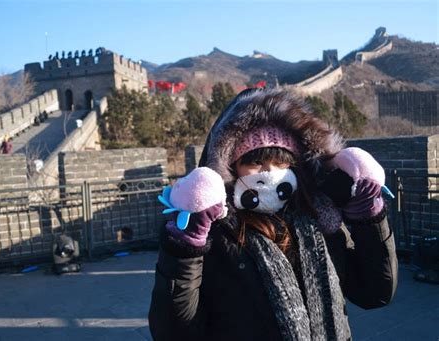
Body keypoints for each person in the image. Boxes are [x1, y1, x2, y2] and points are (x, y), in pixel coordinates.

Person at [148, 88, 398, 340]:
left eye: (281, 162)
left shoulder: (321, 218)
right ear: (231, 169)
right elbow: (173, 332)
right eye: (255, 163)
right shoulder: (215, 232)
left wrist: (369, 219)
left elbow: (375, 293)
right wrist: (184, 251)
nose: (270, 173)